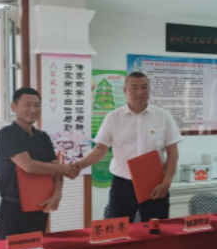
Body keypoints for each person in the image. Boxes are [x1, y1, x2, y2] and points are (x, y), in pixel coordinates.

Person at [72, 72, 182, 222]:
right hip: (122, 185)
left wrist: (166, 183)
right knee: (118, 228)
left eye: (144, 87)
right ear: (125, 90)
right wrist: (80, 165)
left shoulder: (163, 116)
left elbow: (173, 153)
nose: (140, 92)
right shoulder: (113, 117)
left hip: (155, 184)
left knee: (156, 229)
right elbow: (100, 149)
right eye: (134, 87)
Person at [0, 87, 77, 238]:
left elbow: (56, 168)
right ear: (14, 107)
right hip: (14, 206)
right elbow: (29, 166)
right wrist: (65, 168)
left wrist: (57, 194)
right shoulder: (5, 134)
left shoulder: (42, 136)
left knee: (38, 247)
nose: (33, 109)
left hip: (41, 203)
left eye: (37, 105)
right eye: (27, 105)